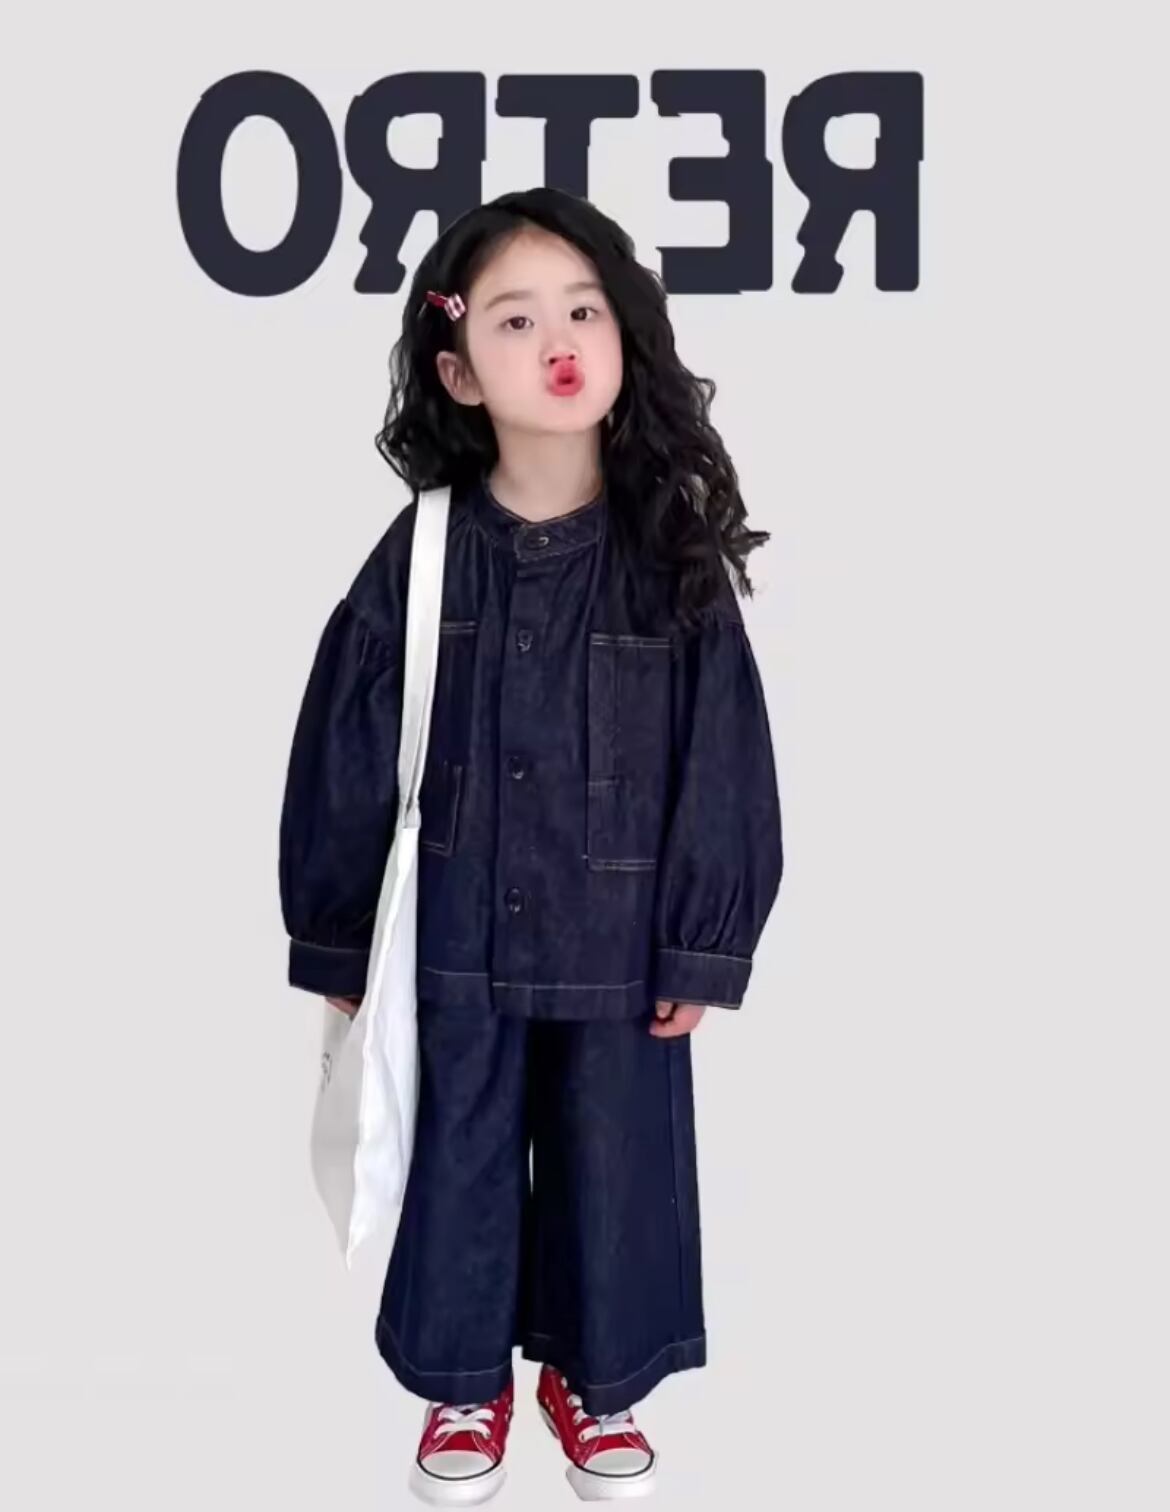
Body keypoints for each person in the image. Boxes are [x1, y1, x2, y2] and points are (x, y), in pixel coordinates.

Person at [278, 186, 784, 1505]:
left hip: (623, 949)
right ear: (458, 370)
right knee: (458, 1162)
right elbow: (349, 740)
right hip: (457, 934)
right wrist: (337, 938)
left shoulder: (668, 552)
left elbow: (724, 755)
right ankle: (463, 1383)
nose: (557, 339)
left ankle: (597, 1380)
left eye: (582, 310)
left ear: (624, 335)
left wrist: (705, 942)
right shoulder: (424, 550)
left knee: (617, 1170)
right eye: (514, 319)